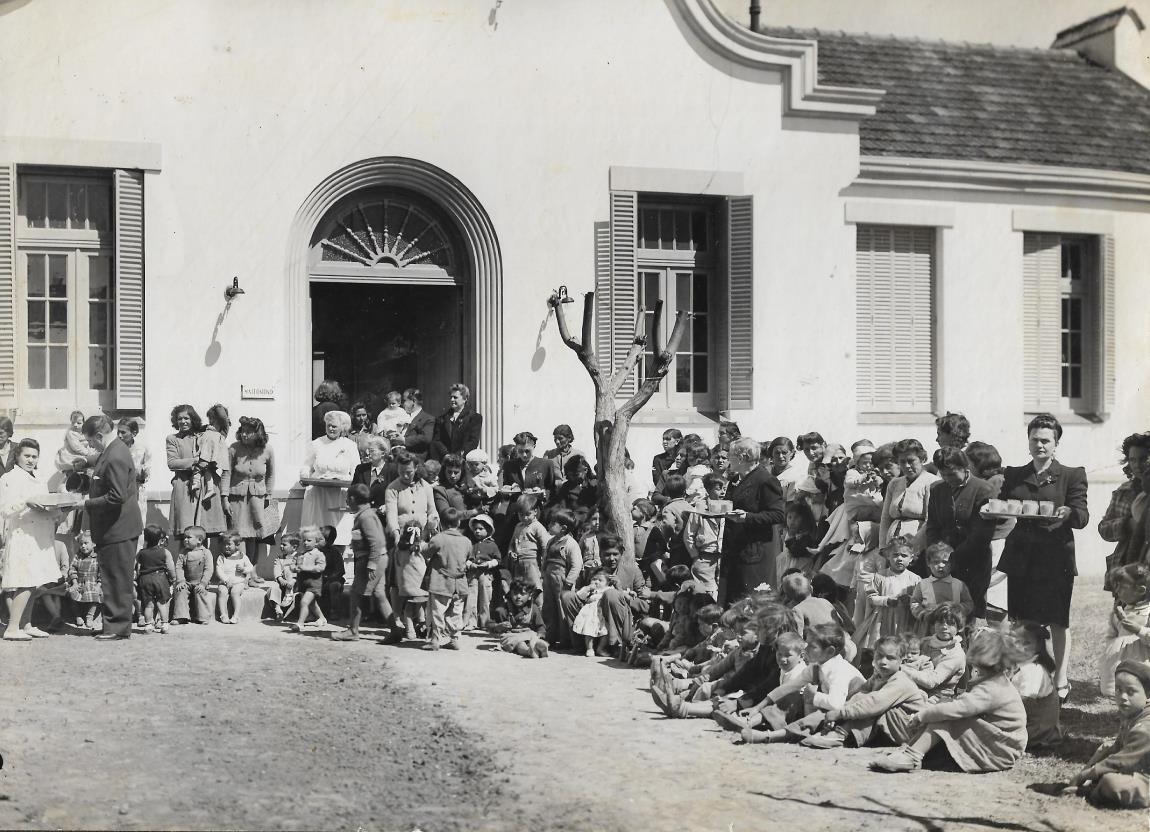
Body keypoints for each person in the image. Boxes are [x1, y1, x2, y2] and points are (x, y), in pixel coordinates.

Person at [996, 413, 1089, 701]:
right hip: (1022, 556)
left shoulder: (1072, 475)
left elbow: (1083, 515)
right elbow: (1001, 506)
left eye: (1046, 440)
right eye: (1035, 439)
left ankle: (1060, 679)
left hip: (1055, 557)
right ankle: (1025, 676)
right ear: (1028, 441)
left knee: (1058, 621)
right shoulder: (1014, 474)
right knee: (1021, 621)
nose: (1040, 445)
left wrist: (1069, 513)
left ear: (1056, 443)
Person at [870, 629, 1026, 773]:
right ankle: (912, 751)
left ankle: (912, 756)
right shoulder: (996, 681)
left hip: (1000, 750)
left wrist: (921, 715)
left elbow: (958, 708)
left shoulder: (992, 688)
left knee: (947, 716)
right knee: (944, 711)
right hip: (998, 743)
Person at [732, 623, 865, 744]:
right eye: (807, 644)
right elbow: (787, 688)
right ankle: (749, 722)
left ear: (830, 651)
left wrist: (814, 696)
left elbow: (836, 704)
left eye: (812, 647)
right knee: (792, 696)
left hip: (847, 719)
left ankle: (770, 736)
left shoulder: (839, 671)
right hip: (829, 711)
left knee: (818, 715)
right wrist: (757, 708)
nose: (806, 649)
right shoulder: (816, 666)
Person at [81, 414, 143, 640]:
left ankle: (117, 628)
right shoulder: (112, 450)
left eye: (91, 441)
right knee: (111, 578)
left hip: (119, 528)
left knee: (118, 580)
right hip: (113, 528)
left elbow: (116, 496)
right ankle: (112, 624)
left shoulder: (115, 454)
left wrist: (86, 504)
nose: (91, 446)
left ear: (99, 436)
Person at [808, 636, 927, 750]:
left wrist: (840, 713)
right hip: (891, 726)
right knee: (862, 698)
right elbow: (859, 694)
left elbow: (875, 703)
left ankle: (840, 735)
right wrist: (839, 712)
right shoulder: (878, 676)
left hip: (909, 730)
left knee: (872, 705)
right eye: (879, 656)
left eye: (890, 658)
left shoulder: (901, 681)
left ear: (902, 661)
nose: (883, 661)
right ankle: (806, 728)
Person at [924, 448, 995, 622]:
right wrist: (936, 552)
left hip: (974, 559)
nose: (948, 479)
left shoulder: (983, 489)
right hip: (943, 561)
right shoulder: (937, 489)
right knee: (944, 612)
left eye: (952, 474)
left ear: (965, 467)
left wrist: (955, 555)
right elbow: (933, 525)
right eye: (943, 475)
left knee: (970, 611)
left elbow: (982, 532)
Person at [1068, 660, 1150, 810]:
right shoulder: (1133, 713)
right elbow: (1117, 747)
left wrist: (1087, 774)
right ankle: (1085, 785)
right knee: (1106, 748)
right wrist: (1089, 771)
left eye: (1131, 691)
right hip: (1135, 769)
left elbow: (1121, 760)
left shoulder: (1145, 727)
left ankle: (1088, 791)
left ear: (1148, 694)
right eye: (1118, 689)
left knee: (1111, 783)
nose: (1123, 696)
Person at [720, 437, 785, 606]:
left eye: (730, 456)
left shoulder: (765, 480)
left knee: (751, 600)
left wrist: (747, 517)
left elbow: (778, 514)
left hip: (755, 550)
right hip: (737, 547)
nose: (728, 460)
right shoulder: (737, 479)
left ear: (741, 458)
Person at [332, 484, 389, 642]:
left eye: (347, 499)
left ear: (352, 499)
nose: (347, 502)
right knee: (379, 594)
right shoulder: (367, 514)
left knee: (356, 594)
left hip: (371, 559)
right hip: (379, 558)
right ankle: (395, 630)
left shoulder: (365, 517)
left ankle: (353, 630)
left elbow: (375, 542)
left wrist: (371, 564)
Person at [226, 416, 280, 567]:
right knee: (238, 534)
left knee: (253, 534)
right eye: (242, 431)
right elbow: (226, 474)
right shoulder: (234, 448)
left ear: (258, 433)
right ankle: (240, 571)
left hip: (257, 497)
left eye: (248, 432)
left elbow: (271, 474)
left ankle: (251, 571)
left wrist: (268, 495)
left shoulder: (267, 449)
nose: (244, 434)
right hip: (236, 497)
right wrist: (224, 498)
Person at [301, 409, 358, 544]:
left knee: (340, 533)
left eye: (334, 426)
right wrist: (304, 477)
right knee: (318, 533)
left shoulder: (349, 445)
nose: (331, 429)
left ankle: (338, 555)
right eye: (328, 426)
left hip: (340, 495)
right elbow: (306, 466)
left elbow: (356, 470)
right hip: (319, 495)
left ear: (342, 427)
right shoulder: (316, 444)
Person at [854, 539, 920, 650]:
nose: (899, 559)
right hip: (883, 617)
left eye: (904, 556)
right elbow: (871, 596)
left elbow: (919, 599)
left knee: (903, 645)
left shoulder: (915, 579)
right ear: (888, 556)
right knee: (882, 644)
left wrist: (910, 599)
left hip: (905, 618)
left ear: (911, 558)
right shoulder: (880, 576)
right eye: (895, 555)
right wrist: (886, 600)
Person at [421, 507, 472, 650]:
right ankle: (454, 639)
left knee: (437, 612)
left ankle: (435, 640)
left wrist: (423, 539)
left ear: (441, 523)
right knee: (456, 612)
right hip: (460, 584)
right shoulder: (466, 541)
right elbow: (468, 557)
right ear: (459, 522)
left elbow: (426, 552)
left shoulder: (438, 539)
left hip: (441, 583)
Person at [1099, 432, 1150, 573]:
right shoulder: (1123, 491)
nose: (1137, 465)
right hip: (1125, 563)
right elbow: (1104, 529)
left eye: (1143, 459)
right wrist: (1127, 525)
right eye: (1132, 460)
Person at [1009, 620, 1061, 749]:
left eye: (1026, 643)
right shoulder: (1021, 666)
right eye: (1015, 641)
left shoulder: (1032, 670)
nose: (1019, 647)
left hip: (1037, 731)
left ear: (1038, 646)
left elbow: (1024, 704)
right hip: (1031, 725)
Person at [1099, 563, 1150, 696]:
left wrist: (1138, 630)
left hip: (1141, 661)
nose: (1117, 591)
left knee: (1138, 688)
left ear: (1141, 590)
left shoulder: (1148, 612)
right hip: (1118, 660)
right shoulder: (1119, 611)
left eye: (1122, 587)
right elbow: (1111, 635)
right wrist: (1110, 650)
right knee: (1112, 690)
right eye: (1116, 586)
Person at [879, 438, 939, 549]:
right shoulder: (894, 483)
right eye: (902, 461)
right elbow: (885, 518)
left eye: (911, 461)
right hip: (892, 546)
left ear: (922, 459)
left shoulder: (932, 482)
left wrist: (914, 546)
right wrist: (883, 547)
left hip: (918, 545)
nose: (907, 465)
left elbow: (930, 520)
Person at [901, 603, 967, 700]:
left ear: (959, 627)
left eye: (950, 623)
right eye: (940, 622)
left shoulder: (956, 654)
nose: (944, 627)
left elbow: (931, 681)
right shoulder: (926, 642)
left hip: (936, 698)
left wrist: (901, 669)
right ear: (934, 623)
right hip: (913, 688)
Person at [165, 405, 206, 550]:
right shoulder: (173, 439)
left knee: (201, 530)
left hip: (202, 485)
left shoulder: (202, 437)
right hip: (183, 486)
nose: (183, 421)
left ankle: (202, 561)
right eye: (179, 419)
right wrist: (195, 461)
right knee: (185, 532)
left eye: (186, 418)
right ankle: (183, 562)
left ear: (193, 419)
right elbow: (172, 463)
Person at [540, 508, 582, 646]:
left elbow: (577, 565)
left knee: (561, 608)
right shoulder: (550, 542)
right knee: (549, 606)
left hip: (562, 580)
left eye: (553, 523)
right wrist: (543, 573)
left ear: (563, 528)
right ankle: (550, 636)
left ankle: (565, 639)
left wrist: (569, 582)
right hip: (549, 578)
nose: (549, 525)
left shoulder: (570, 543)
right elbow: (545, 558)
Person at [683, 473, 727, 600]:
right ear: (708, 489)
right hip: (705, 557)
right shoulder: (700, 507)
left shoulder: (727, 506)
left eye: (724, 489)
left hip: (722, 557)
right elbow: (688, 535)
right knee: (706, 594)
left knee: (721, 592)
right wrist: (695, 556)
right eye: (718, 489)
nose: (722, 492)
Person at [909, 542, 973, 629]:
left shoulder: (959, 585)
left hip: (952, 625)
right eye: (936, 562)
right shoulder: (922, 584)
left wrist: (957, 609)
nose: (941, 566)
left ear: (951, 564)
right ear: (928, 563)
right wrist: (923, 614)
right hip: (929, 626)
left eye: (945, 562)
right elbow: (915, 602)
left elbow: (968, 603)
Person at [488, 580, 549, 659]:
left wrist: (540, 634)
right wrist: (498, 626)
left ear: (530, 596)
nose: (518, 596)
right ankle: (529, 651)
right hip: (511, 636)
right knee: (519, 644)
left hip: (528, 635)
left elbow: (541, 626)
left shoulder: (533, 608)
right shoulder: (502, 609)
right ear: (510, 593)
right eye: (515, 593)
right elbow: (490, 625)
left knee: (533, 636)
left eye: (523, 594)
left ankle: (538, 645)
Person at [134, 524, 175, 634]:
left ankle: (148, 625)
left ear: (146, 539)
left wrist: (136, 577)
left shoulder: (141, 553)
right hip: (160, 578)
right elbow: (170, 567)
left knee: (148, 604)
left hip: (145, 579)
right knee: (162, 603)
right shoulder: (165, 552)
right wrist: (173, 578)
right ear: (160, 539)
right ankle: (164, 625)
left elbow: (136, 566)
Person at [504, 494, 550, 591]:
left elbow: (545, 545)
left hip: (532, 562)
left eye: (528, 514)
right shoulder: (518, 526)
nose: (524, 518)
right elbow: (512, 543)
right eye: (521, 515)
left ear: (535, 511)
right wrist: (511, 552)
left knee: (535, 585)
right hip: (518, 562)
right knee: (520, 586)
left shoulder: (537, 526)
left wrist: (544, 563)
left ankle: (539, 600)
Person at [463, 514, 500, 632]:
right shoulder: (471, 544)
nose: (477, 531)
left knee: (485, 597)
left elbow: (497, 560)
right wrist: (470, 564)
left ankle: (484, 622)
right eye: (475, 529)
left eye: (481, 529)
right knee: (471, 597)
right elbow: (466, 558)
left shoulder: (492, 545)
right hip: (473, 574)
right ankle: (471, 621)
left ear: (488, 530)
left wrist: (488, 564)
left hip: (486, 574)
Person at [172, 525, 214, 625]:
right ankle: (181, 616)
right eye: (184, 538)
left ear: (199, 540)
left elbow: (209, 569)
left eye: (188, 537)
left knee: (200, 592)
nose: (185, 540)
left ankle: (203, 617)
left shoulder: (206, 553)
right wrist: (181, 581)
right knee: (180, 590)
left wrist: (203, 583)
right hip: (186, 582)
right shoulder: (183, 553)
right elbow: (179, 567)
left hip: (200, 582)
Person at [430, 383, 483, 461]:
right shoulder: (442, 418)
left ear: (465, 399)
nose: (452, 400)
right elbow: (436, 440)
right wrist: (446, 455)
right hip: (445, 460)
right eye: (451, 397)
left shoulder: (474, 417)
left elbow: (473, 442)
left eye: (455, 397)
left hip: (463, 461)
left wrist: (456, 457)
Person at [290, 526, 328, 632]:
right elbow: (292, 565)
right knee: (312, 603)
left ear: (316, 542)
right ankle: (322, 618)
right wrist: (294, 568)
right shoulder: (300, 554)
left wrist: (306, 568)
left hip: (314, 583)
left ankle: (300, 624)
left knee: (304, 602)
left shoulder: (318, 554)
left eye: (309, 540)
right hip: (303, 583)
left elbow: (321, 567)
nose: (305, 543)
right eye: (304, 540)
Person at [501, 432, 556, 503]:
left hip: (537, 507)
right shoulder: (509, 466)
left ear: (534, 447)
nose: (524, 455)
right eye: (520, 451)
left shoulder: (546, 464)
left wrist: (544, 493)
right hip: (515, 507)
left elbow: (553, 490)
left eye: (527, 451)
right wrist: (506, 491)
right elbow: (506, 493)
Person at [213, 530, 253, 624]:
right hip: (225, 583)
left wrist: (243, 569)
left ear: (237, 545)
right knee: (222, 591)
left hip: (238, 582)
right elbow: (219, 570)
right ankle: (223, 615)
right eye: (224, 544)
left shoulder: (242, 556)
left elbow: (250, 567)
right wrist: (226, 580)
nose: (226, 546)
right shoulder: (221, 557)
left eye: (229, 544)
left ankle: (236, 616)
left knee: (235, 592)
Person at [68, 530, 103, 630]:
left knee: (95, 595)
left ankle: (90, 616)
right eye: (81, 544)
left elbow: (101, 572)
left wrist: (99, 584)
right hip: (79, 583)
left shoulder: (97, 557)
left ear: (94, 544)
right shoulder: (78, 556)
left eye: (86, 543)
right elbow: (72, 569)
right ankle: (78, 616)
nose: (83, 546)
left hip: (92, 583)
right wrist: (74, 583)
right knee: (71, 593)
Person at [571, 569, 609, 656]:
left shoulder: (607, 589)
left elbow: (617, 593)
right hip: (590, 615)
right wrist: (588, 588)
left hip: (602, 614)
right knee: (589, 632)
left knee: (605, 632)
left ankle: (600, 648)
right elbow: (579, 595)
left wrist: (629, 592)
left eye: (600, 580)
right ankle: (589, 648)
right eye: (594, 579)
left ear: (607, 583)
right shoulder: (590, 590)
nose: (596, 582)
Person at [433, 453, 478, 527]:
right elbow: (446, 514)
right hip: (456, 529)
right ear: (444, 471)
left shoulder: (471, 485)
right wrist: (473, 512)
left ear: (462, 472)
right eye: (449, 472)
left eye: (456, 472)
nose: (452, 475)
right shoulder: (440, 490)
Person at [265, 532, 300, 620]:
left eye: (284, 545)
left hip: (295, 586)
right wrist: (280, 578)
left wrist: (293, 581)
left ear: (294, 547)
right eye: (281, 544)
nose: (281, 546)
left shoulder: (299, 558)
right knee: (273, 589)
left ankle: (289, 595)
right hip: (283, 584)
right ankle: (278, 610)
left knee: (289, 569)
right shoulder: (280, 558)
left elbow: (299, 571)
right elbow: (276, 569)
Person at [399, 388, 436, 460]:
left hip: (415, 460)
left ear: (413, 401)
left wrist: (404, 440)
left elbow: (426, 438)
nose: (402, 404)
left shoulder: (428, 419)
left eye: (404, 401)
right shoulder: (401, 416)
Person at [651, 429, 683, 493]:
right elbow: (657, 481)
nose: (664, 442)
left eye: (668, 439)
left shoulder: (683, 458)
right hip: (664, 493)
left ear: (677, 441)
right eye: (663, 439)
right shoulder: (658, 459)